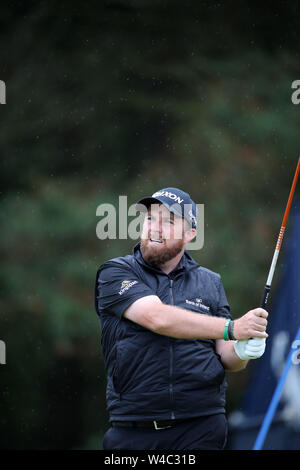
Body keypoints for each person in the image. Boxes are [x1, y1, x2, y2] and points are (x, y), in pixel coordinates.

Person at [95, 187, 268, 450]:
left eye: (169, 221)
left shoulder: (210, 282)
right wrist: (232, 328)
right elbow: (158, 318)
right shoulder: (116, 272)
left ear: (191, 234)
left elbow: (226, 356)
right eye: (151, 218)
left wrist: (243, 350)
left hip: (201, 427)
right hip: (134, 430)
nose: (155, 227)